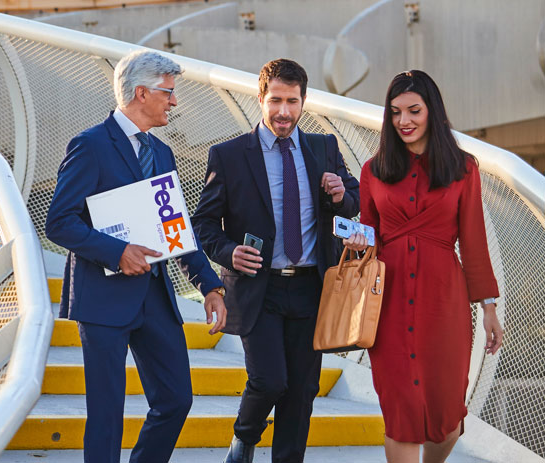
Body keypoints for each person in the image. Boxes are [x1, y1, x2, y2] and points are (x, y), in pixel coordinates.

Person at [45, 49, 227, 463]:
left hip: (155, 297)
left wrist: (210, 285)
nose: (174, 101)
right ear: (141, 93)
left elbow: (175, 229)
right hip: (103, 299)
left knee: (177, 400)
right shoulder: (90, 145)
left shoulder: (162, 153)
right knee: (106, 416)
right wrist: (117, 252)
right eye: (168, 92)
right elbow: (59, 221)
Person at [192, 58, 360, 463]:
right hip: (258, 287)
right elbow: (202, 224)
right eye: (275, 101)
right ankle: (244, 437)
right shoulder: (229, 155)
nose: (283, 111)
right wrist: (229, 251)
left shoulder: (324, 147)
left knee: (301, 391)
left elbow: (354, 202)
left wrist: (340, 195)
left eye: (292, 101)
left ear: (304, 102)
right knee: (269, 381)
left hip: (310, 286)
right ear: (260, 98)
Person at [344, 70, 503, 463]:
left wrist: (488, 309)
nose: (404, 121)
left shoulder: (464, 169)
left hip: (443, 303)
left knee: (448, 419)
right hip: (389, 304)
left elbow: (474, 241)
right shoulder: (372, 170)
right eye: (396, 112)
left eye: (413, 110)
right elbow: (370, 236)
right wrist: (359, 243)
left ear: (432, 110)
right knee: (400, 417)